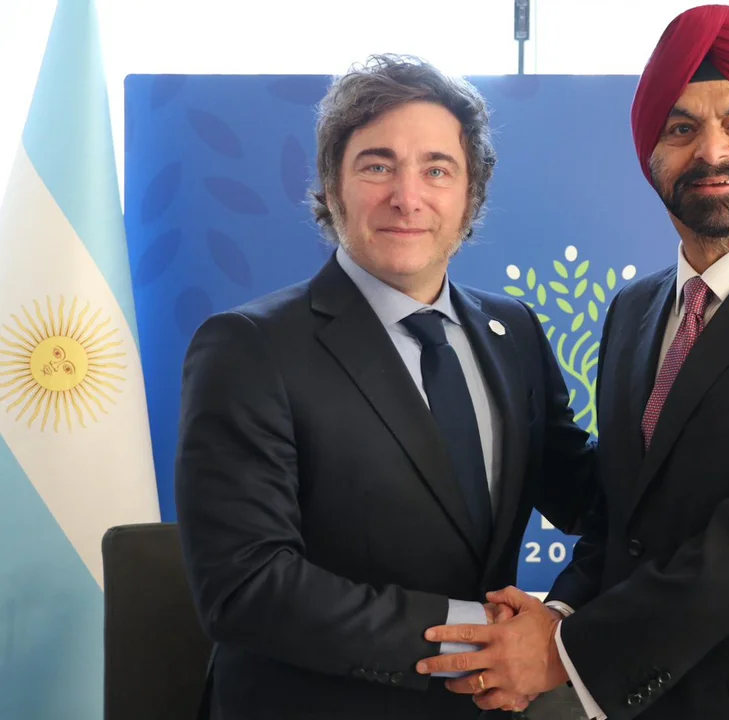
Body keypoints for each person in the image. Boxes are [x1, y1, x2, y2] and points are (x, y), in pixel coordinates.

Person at [417, 5, 729, 719]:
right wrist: (558, 613)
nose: (711, 152)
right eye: (681, 129)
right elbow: (625, 513)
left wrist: (562, 651)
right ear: (651, 156)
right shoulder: (635, 310)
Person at [174, 53, 595, 720]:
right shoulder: (249, 348)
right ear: (331, 187)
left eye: (437, 169)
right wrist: (481, 633)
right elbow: (246, 587)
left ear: (470, 196)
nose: (407, 196)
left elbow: (586, 495)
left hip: (487, 708)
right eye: (377, 166)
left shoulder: (512, 330)